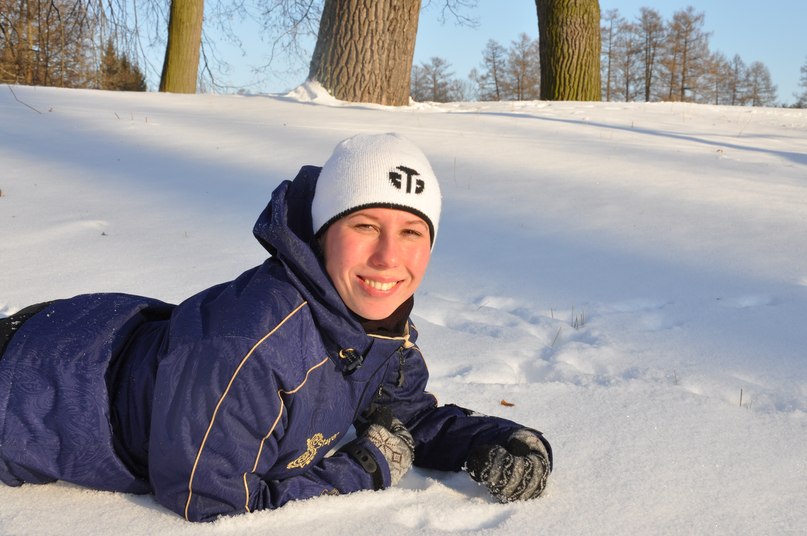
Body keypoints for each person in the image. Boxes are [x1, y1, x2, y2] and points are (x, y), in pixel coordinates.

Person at [0, 133, 552, 522]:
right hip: (31, 389)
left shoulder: (376, 326)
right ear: (322, 234)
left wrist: (496, 441)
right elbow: (208, 497)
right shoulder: (254, 347)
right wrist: (365, 469)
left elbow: (405, 418)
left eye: (411, 232)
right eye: (365, 225)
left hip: (99, 336)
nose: (389, 257)